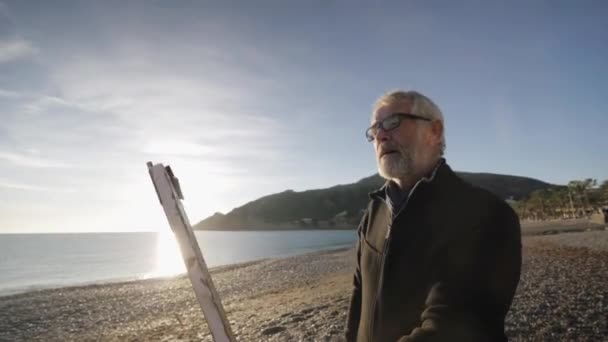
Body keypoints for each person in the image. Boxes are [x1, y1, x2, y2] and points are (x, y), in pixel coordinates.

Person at [345, 90, 522, 342]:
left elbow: (454, 326)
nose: (381, 135)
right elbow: (359, 296)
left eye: (392, 122)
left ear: (435, 131)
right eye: (374, 130)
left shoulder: (486, 214)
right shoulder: (375, 210)